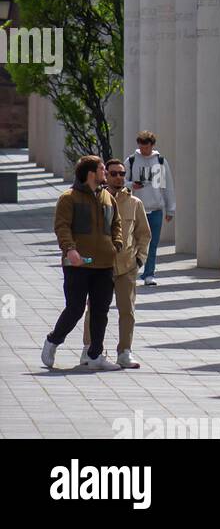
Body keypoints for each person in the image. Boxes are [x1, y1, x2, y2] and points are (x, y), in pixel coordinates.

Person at [42, 155, 123, 372]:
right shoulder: (69, 198)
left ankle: (95, 354)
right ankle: (53, 341)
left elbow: (116, 223)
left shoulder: (107, 197)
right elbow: (62, 227)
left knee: (100, 311)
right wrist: (70, 249)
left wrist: (117, 244)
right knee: (75, 308)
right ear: (90, 172)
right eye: (102, 168)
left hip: (104, 264)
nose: (105, 172)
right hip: (77, 264)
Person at [81, 158, 151, 369]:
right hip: (100, 265)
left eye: (122, 174)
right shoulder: (95, 200)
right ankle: (89, 349)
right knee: (94, 309)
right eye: (114, 173)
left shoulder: (134, 203)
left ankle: (125, 351)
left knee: (127, 310)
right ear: (105, 176)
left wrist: (140, 260)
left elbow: (144, 234)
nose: (119, 177)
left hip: (127, 266)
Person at [126, 130, 175, 286]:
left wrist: (170, 209)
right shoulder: (132, 160)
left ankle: (149, 274)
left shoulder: (160, 161)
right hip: (136, 208)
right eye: (141, 147)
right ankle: (131, 271)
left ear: (152, 145)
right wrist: (131, 185)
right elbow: (121, 179)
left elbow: (167, 186)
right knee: (133, 242)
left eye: (146, 147)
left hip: (155, 209)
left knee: (152, 243)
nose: (143, 150)